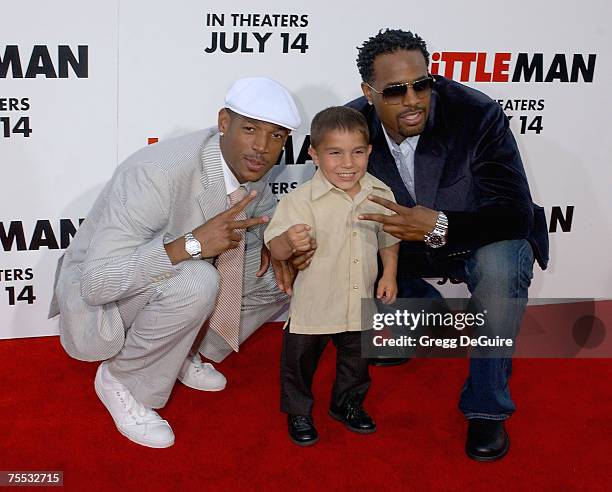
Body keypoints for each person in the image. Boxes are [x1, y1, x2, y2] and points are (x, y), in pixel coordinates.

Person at [48, 77, 301, 448]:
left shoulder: (249, 164)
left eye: (276, 136)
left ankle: (184, 352)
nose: (263, 147)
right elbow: (96, 281)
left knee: (283, 273)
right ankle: (122, 378)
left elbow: (260, 214)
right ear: (224, 123)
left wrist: (274, 245)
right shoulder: (156, 173)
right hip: (103, 294)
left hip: (169, 276)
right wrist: (193, 244)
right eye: (250, 129)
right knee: (197, 281)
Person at [346, 29, 549, 461]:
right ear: (369, 92)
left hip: (476, 237)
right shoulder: (348, 126)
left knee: (503, 264)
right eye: (396, 91)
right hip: (400, 247)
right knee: (346, 242)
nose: (414, 99)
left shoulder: (476, 114)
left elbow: (515, 213)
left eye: (423, 84)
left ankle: (486, 409)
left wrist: (438, 225)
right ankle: (418, 315)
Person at [264, 106, 400, 446]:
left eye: (357, 152)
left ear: (369, 151)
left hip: (359, 302)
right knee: (298, 365)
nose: (347, 164)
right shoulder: (300, 200)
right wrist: (286, 242)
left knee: (357, 363)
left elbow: (390, 238)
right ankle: (299, 412)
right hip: (314, 305)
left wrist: (390, 275)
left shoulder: (381, 193)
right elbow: (275, 247)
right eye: (334, 153)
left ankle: (347, 405)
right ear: (314, 153)